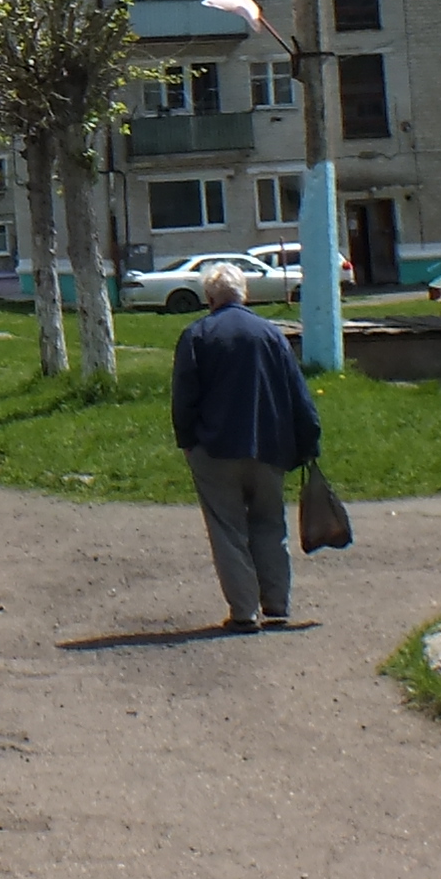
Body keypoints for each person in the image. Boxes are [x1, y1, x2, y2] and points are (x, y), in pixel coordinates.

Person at [170, 260, 322, 630]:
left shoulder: (197, 336)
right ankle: (277, 602)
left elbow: (184, 398)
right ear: (245, 294)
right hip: (270, 447)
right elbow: (298, 395)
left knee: (227, 528)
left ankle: (243, 611)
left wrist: (187, 441)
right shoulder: (272, 335)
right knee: (270, 522)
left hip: (215, 448)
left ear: (209, 298)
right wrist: (308, 441)